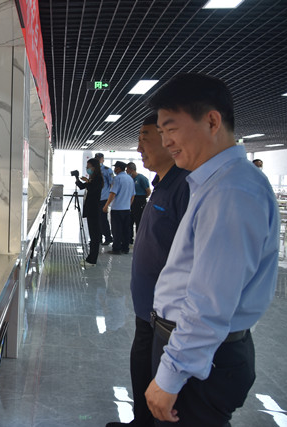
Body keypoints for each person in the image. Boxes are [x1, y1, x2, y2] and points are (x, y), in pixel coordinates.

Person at [144, 73, 279, 425]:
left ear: (212, 121)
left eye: (171, 128)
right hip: (195, 350)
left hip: (202, 361)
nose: (166, 141)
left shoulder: (232, 191)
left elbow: (210, 301)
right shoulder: (216, 182)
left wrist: (172, 374)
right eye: (161, 131)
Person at [105, 114, 190, 427]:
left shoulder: (185, 186)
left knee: (161, 390)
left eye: (146, 137)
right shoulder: (161, 185)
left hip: (168, 318)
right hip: (147, 312)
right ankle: (139, 421)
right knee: (141, 371)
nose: (139, 147)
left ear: (169, 139)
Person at [75, 158, 104, 266]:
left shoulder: (98, 179)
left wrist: (87, 181)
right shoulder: (92, 178)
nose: (87, 169)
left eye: (88, 167)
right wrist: (77, 177)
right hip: (90, 210)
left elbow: (91, 189)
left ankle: (92, 260)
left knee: (94, 237)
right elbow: (82, 186)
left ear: (94, 167)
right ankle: (90, 258)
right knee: (92, 235)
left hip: (94, 210)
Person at [102, 161, 135, 255]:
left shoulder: (117, 178)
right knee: (126, 230)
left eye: (115, 167)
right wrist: (129, 205)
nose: (114, 169)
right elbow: (133, 195)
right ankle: (125, 248)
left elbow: (113, 193)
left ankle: (116, 249)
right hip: (127, 209)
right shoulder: (130, 178)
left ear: (119, 168)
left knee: (117, 230)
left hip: (117, 209)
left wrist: (106, 205)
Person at [126, 162, 151, 243]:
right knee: (130, 221)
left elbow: (148, 191)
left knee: (139, 221)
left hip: (140, 200)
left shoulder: (141, 178)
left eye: (127, 169)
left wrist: (142, 198)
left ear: (131, 170)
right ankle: (129, 239)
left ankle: (139, 240)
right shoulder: (129, 179)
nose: (126, 171)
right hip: (131, 200)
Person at [95, 153, 114, 245]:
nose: (98, 160)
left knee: (103, 219)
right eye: (96, 158)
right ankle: (98, 238)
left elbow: (112, 184)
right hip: (95, 198)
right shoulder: (94, 169)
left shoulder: (107, 170)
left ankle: (108, 237)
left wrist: (110, 198)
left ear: (103, 159)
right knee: (96, 219)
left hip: (103, 197)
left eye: (99, 158)